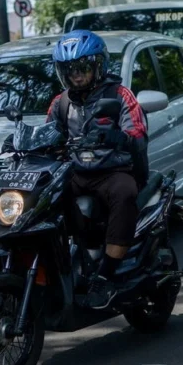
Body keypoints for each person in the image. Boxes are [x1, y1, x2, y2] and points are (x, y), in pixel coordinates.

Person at [47, 30, 148, 309]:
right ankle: (74, 251)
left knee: (125, 193)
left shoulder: (120, 94)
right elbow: (48, 135)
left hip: (112, 170)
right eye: (69, 70)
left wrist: (120, 137)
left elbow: (138, 133)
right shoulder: (61, 102)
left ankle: (106, 275)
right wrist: (23, 140)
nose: (76, 75)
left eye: (81, 68)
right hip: (77, 172)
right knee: (45, 194)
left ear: (98, 65)